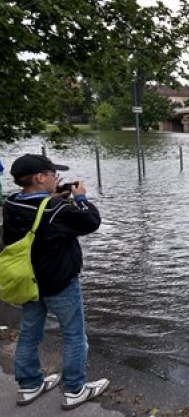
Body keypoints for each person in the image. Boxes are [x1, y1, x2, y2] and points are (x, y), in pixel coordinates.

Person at [2, 154, 109, 410]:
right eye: (52, 174)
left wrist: (54, 197)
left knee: (29, 333)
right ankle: (75, 389)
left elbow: (39, 214)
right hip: (60, 284)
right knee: (74, 336)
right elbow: (91, 221)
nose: (56, 178)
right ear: (40, 177)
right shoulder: (55, 209)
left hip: (28, 283)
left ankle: (29, 385)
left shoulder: (11, 203)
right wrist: (80, 197)